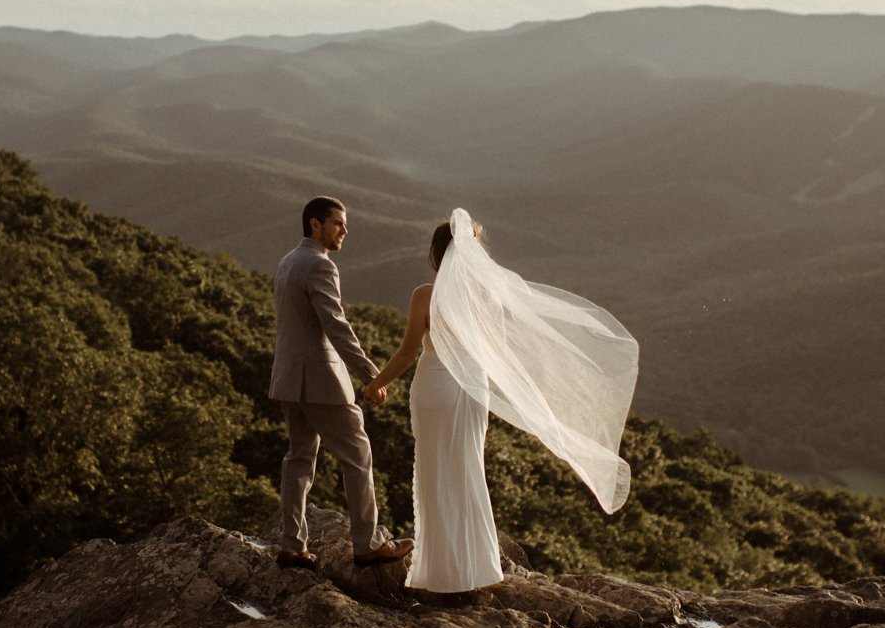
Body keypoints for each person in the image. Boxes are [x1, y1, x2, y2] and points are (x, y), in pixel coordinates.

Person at [362, 208, 638, 593]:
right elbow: (497, 353)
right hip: (473, 389)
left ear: (438, 254)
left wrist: (375, 383)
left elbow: (408, 353)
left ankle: (441, 574)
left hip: (435, 389)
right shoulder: (489, 297)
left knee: (437, 474)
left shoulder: (426, 295)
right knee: (468, 471)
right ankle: (475, 571)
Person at [269, 196, 414, 570]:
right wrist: (371, 375)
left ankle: (291, 544)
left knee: (298, 458)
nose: (344, 230)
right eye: (337, 223)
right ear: (315, 225)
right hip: (319, 379)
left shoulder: (288, 261)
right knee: (358, 453)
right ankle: (368, 544)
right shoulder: (320, 265)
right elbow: (336, 326)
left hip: (288, 378)